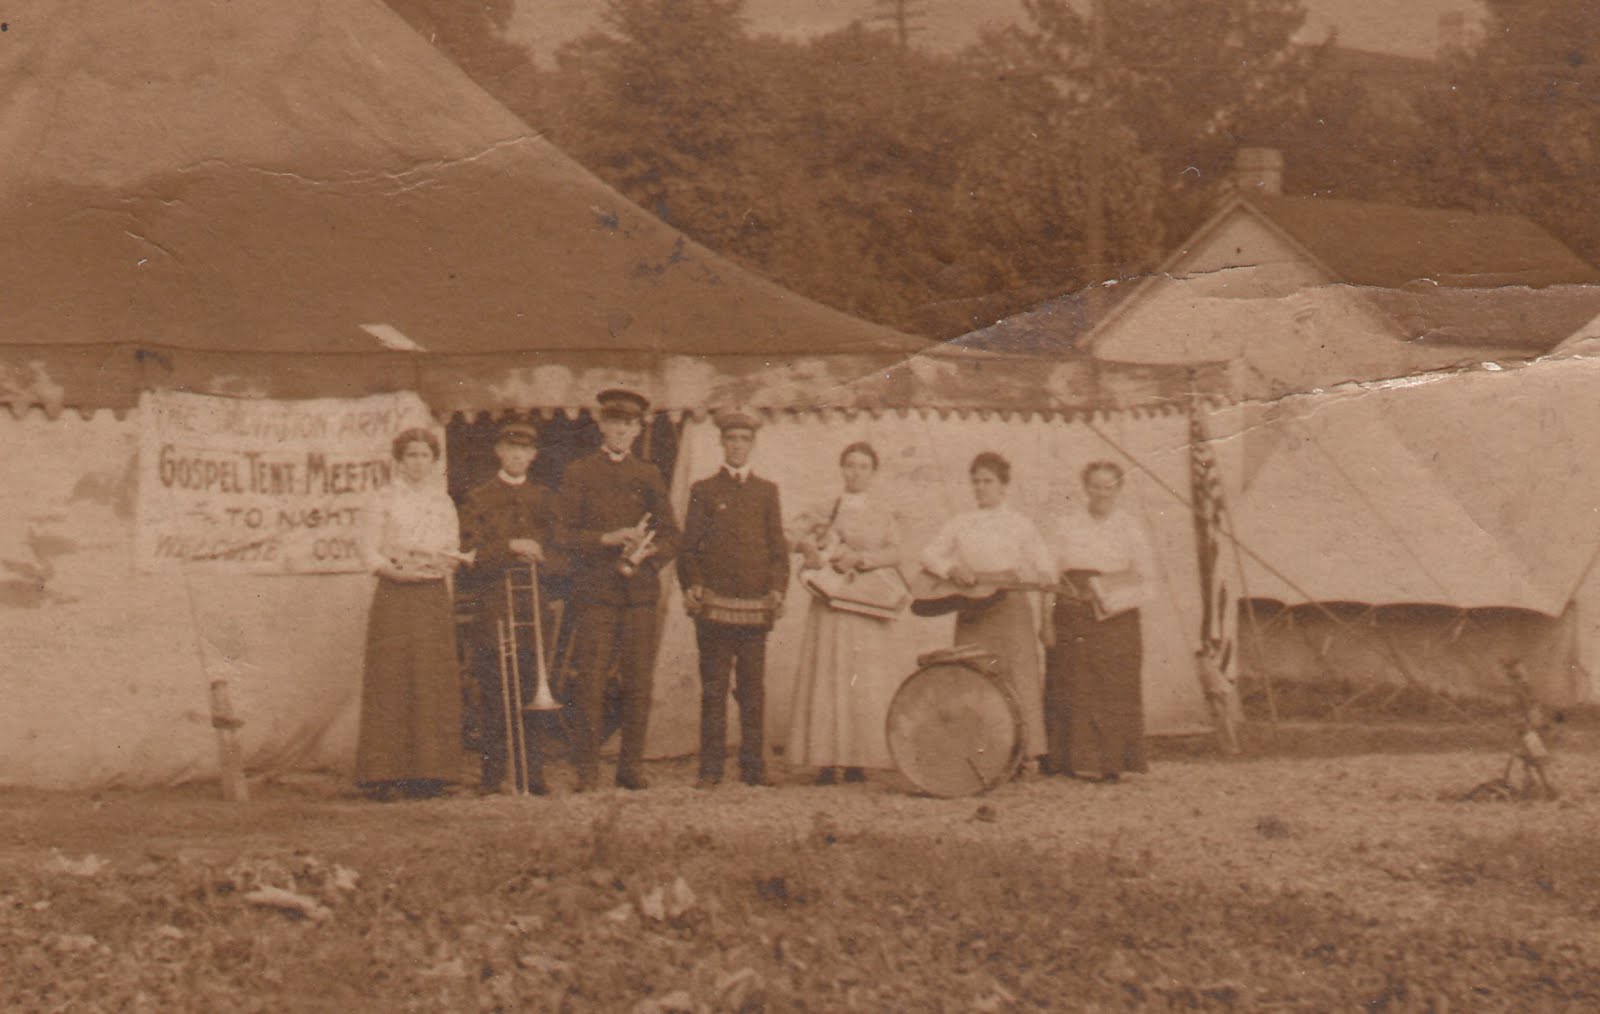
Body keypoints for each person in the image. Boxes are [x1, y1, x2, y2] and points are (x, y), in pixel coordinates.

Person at [555, 388, 680, 791]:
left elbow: (672, 536)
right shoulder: (580, 472)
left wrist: (648, 552)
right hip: (596, 593)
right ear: (601, 425)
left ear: (637, 428)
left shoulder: (649, 473)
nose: (621, 431)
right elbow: (561, 534)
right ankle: (588, 770)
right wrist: (607, 539)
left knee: (638, 681)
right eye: (614, 423)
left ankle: (631, 767)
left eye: (629, 425)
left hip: (639, 594)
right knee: (590, 681)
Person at [918, 451, 1055, 769]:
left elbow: (1045, 566)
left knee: (1016, 676)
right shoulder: (961, 522)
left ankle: (1022, 753)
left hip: (1010, 607)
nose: (981, 487)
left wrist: (1038, 577)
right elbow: (928, 555)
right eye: (976, 481)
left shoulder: (1020, 524)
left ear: (1004, 486)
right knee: (973, 676)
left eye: (988, 481)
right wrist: (951, 569)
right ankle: (980, 751)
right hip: (972, 608)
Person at [354, 427, 467, 800]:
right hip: (396, 594)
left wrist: (441, 564)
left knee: (430, 678)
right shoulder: (382, 499)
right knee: (392, 678)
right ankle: (384, 776)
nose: (418, 463)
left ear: (434, 462)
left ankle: (430, 773)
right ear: (399, 460)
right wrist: (396, 571)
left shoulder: (442, 502)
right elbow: (369, 551)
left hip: (431, 595)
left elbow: (451, 547)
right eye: (411, 456)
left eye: (425, 456)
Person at [679, 409, 790, 789]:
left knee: (752, 689)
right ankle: (710, 769)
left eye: (744, 439)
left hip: (755, 607)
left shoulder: (767, 492)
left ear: (752, 443)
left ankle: (753, 767)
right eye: (731, 439)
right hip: (714, 607)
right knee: (713, 688)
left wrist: (777, 589)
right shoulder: (703, 491)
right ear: (721, 443)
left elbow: (779, 550)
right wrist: (692, 584)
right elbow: (688, 550)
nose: (738, 445)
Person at [787, 440, 904, 785]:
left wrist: (864, 559)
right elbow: (790, 534)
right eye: (850, 465)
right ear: (842, 469)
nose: (855, 472)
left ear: (874, 472)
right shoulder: (827, 506)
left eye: (863, 466)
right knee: (828, 674)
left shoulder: (882, 512)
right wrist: (809, 547)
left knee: (862, 679)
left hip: (865, 605)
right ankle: (825, 759)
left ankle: (858, 760)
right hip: (830, 604)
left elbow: (896, 552)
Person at [458, 418, 563, 795]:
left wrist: (543, 558)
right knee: (493, 693)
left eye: (525, 449)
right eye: (511, 448)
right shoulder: (479, 497)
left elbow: (563, 556)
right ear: (499, 452)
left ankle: (533, 774)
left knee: (533, 689)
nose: (518, 455)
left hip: (534, 607)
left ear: (533, 456)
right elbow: (470, 555)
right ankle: (492, 775)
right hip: (494, 608)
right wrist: (513, 547)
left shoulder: (547, 498)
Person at [1042, 460, 1155, 782]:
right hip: (1071, 614)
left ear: (1119, 489)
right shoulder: (1067, 524)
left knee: (1112, 688)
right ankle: (1067, 760)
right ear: (1085, 487)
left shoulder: (1130, 527)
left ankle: (1111, 763)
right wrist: (1045, 620)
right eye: (1095, 486)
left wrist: (1109, 597)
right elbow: (1049, 576)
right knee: (1071, 684)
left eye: (1109, 487)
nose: (1101, 493)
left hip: (1116, 618)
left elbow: (1148, 581)